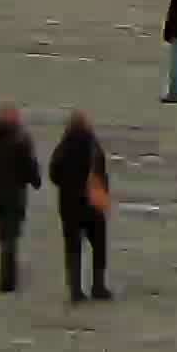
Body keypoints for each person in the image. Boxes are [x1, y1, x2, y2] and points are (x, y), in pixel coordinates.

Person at [0, 105, 42, 292]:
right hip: (15, 194)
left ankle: (7, 277)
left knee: (4, 233)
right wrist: (36, 180)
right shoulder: (21, 138)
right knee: (11, 236)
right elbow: (30, 164)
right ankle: (8, 281)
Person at [49, 111, 113, 302]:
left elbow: (54, 174)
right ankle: (98, 286)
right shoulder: (94, 147)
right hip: (92, 205)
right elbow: (102, 174)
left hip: (70, 206)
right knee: (99, 246)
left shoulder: (63, 148)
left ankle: (76, 290)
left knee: (73, 249)